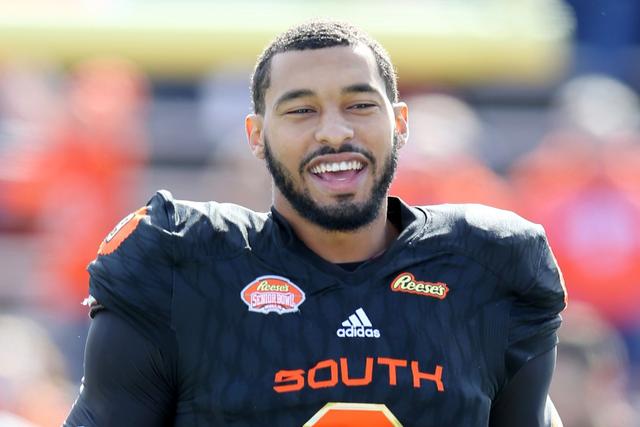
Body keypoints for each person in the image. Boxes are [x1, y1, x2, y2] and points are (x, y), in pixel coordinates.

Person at [64, 21, 566, 426]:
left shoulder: (488, 265)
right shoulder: (181, 265)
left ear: (399, 123)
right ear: (256, 136)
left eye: (360, 105)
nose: (334, 132)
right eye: (302, 110)